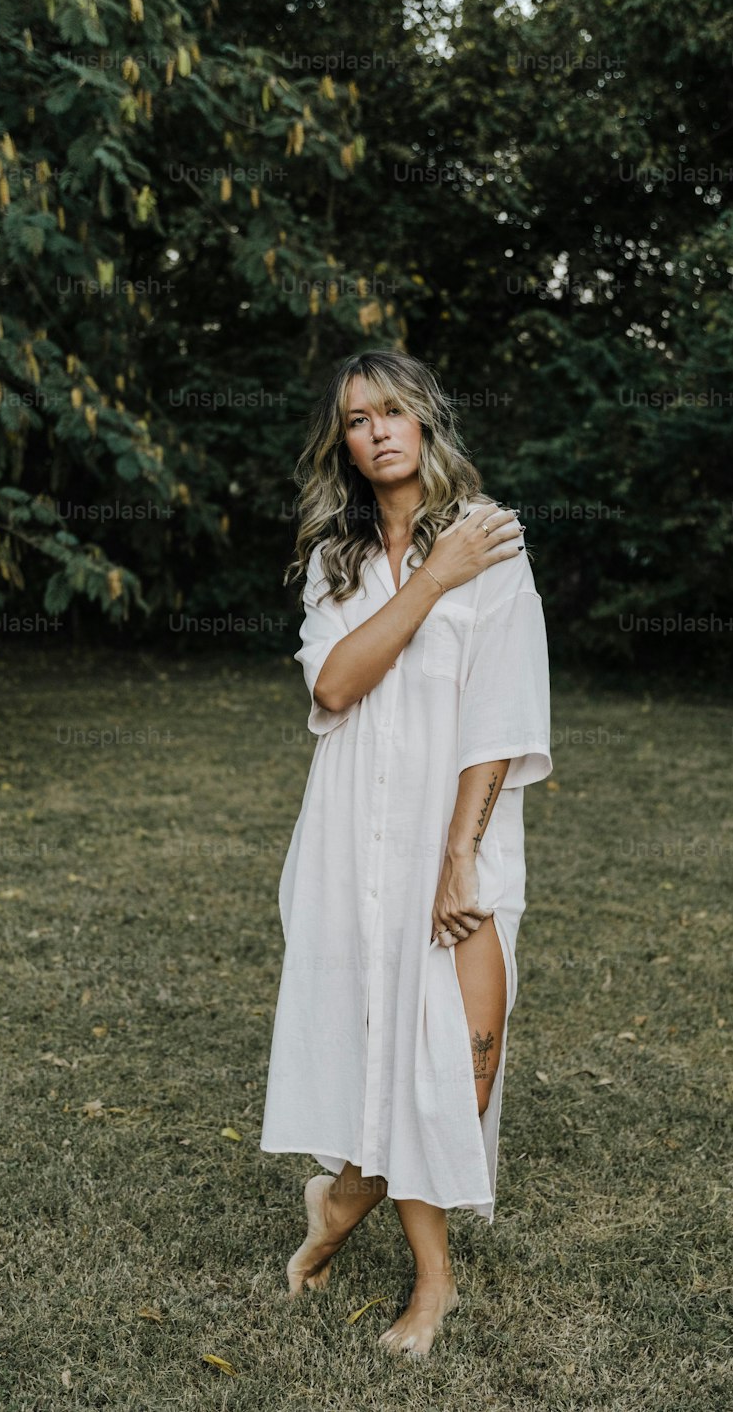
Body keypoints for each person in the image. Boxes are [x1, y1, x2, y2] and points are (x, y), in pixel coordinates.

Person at [260, 347, 552, 1356]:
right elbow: (335, 687)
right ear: (341, 442)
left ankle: (343, 1194)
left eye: (392, 411)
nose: (376, 430)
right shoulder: (336, 562)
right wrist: (430, 579)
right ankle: (434, 1289)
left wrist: (459, 858)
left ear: (425, 421)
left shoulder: (492, 540)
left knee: (460, 1073)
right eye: (355, 419)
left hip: (459, 840)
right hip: (354, 841)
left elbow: (501, 713)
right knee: (395, 1054)